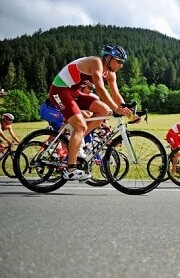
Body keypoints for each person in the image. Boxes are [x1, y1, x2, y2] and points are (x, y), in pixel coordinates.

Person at [48, 44, 132, 180]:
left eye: (123, 62)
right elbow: (99, 89)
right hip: (59, 90)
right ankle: (70, 169)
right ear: (108, 58)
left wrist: (130, 112)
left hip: (74, 92)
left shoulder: (111, 74)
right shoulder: (96, 62)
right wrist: (117, 109)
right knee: (80, 126)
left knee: (105, 110)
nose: (121, 65)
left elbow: (116, 95)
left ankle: (75, 142)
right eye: (119, 61)